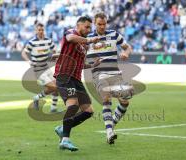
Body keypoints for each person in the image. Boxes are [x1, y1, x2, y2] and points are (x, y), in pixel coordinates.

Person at [54, 16, 101, 151]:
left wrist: (92, 64)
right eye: (86, 27)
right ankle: (65, 140)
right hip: (64, 76)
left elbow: (81, 64)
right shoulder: (71, 33)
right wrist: (89, 40)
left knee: (88, 111)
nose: (89, 30)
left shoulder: (84, 45)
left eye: (90, 28)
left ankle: (62, 128)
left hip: (76, 78)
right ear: (78, 25)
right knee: (73, 105)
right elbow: (70, 39)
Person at [87, 12, 133, 144]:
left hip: (115, 74)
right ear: (94, 24)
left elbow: (127, 47)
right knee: (106, 98)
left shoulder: (114, 34)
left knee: (125, 101)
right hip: (98, 74)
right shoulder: (88, 38)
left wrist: (125, 52)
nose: (102, 26)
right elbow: (80, 56)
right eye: (99, 24)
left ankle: (111, 124)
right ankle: (109, 132)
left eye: (104, 24)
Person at [21, 23, 59, 112]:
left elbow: (55, 50)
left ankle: (53, 108)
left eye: (42, 30)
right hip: (38, 70)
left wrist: (56, 57)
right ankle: (37, 97)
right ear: (36, 31)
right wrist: (29, 61)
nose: (41, 31)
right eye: (39, 30)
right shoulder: (32, 42)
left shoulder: (48, 41)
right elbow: (24, 53)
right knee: (54, 87)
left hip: (46, 68)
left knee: (57, 86)